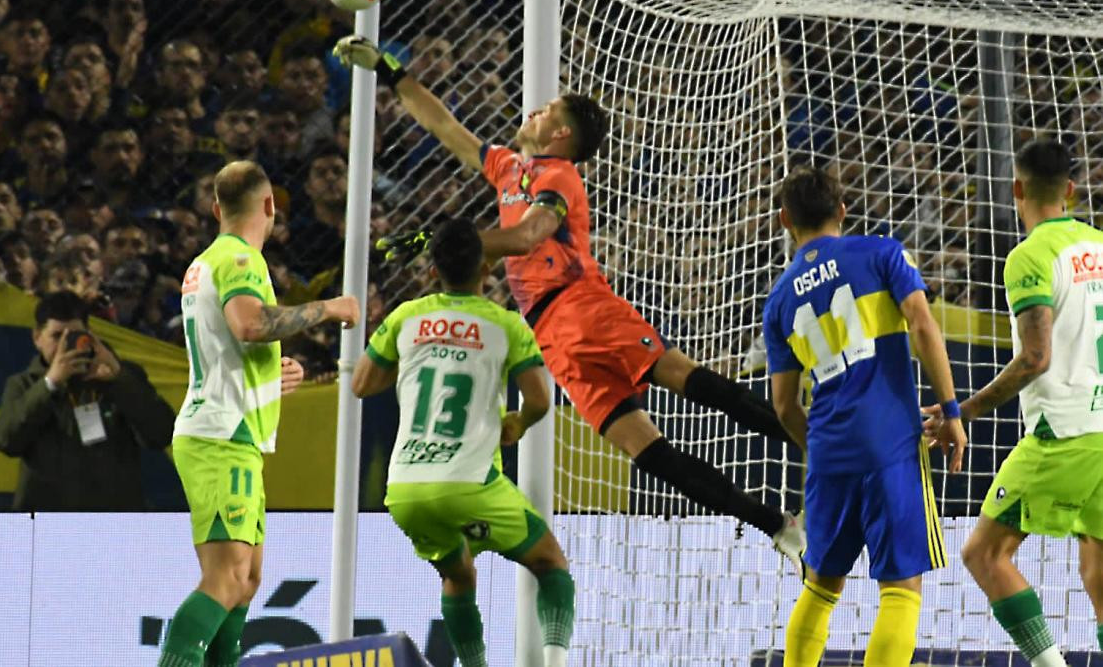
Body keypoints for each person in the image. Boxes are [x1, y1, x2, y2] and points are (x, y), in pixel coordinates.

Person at [334, 36, 805, 560]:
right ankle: (776, 525)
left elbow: (527, 236)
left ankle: (820, 444)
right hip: (551, 335)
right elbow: (444, 127)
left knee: (692, 384)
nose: (531, 112)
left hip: (584, 307)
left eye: (545, 110)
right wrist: (390, 70)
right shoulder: (508, 168)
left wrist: (445, 241)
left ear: (559, 133)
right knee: (648, 452)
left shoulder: (558, 176)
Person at [763, 165, 967, 666]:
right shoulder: (882, 253)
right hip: (890, 442)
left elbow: (785, 405)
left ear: (785, 219)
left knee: (820, 585)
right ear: (843, 210)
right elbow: (923, 325)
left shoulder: (780, 300)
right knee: (901, 587)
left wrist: (819, 448)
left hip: (829, 454)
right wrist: (953, 411)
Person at [158, 160, 359, 667]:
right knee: (226, 579)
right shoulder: (241, 260)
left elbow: (228, 346)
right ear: (269, 206)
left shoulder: (208, 261)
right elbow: (250, 325)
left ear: (215, 207)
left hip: (228, 429)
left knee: (244, 582)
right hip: (222, 435)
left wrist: (271, 377)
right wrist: (330, 309)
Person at [351, 218, 575, 667]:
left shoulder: (405, 317)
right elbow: (538, 399)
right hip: (470, 483)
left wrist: (418, 354)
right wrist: (519, 423)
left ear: (432, 272)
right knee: (551, 565)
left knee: (458, 576)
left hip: (407, 490)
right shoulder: (505, 324)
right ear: (485, 269)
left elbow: (361, 384)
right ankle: (554, 661)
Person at [925, 140, 1103, 667]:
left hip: (1062, 435)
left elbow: (1034, 357)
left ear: (1016, 190)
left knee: (984, 553)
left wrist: (963, 410)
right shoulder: (1100, 243)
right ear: (1070, 190)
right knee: (1096, 575)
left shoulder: (1030, 256)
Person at [0, 290, 175, 509]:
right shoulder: (24, 385)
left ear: (90, 334)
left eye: (75, 336)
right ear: (37, 338)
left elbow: (162, 434)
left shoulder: (122, 377)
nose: (65, 346)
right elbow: (6, 440)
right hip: (49, 521)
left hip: (114, 518)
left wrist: (118, 378)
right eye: (57, 336)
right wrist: (50, 384)